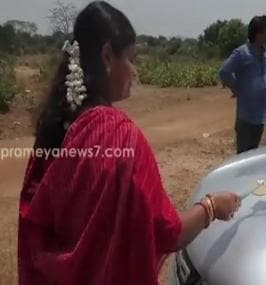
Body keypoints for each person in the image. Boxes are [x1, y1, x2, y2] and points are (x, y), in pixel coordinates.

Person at [17, 2, 241, 285]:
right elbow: (167, 232)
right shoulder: (120, 137)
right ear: (108, 57)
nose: (134, 71)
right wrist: (211, 206)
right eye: (131, 59)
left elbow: (36, 224)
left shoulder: (55, 127)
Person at [219, 15, 266, 154]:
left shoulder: (263, 53)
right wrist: (237, 88)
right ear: (258, 33)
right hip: (246, 118)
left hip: (260, 117)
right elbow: (224, 71)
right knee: (243, 157)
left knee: (253, 156)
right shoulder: (242, 53)